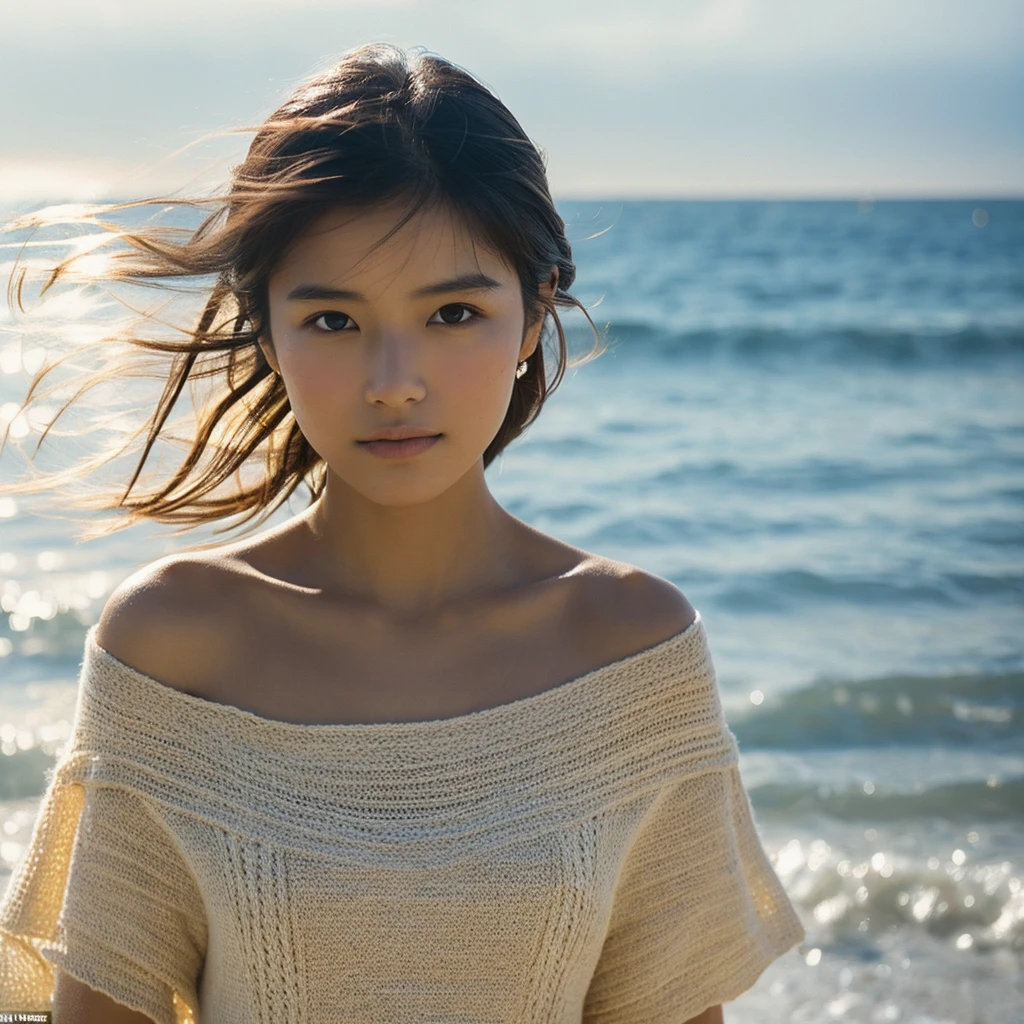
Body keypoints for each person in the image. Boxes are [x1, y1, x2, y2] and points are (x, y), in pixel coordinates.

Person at [0, 43, 804, 1024]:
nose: (392, 379)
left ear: (531, 316)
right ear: (266, 331)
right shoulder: (175, 643)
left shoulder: (629, 650)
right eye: (333, 320)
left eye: (453, 312)